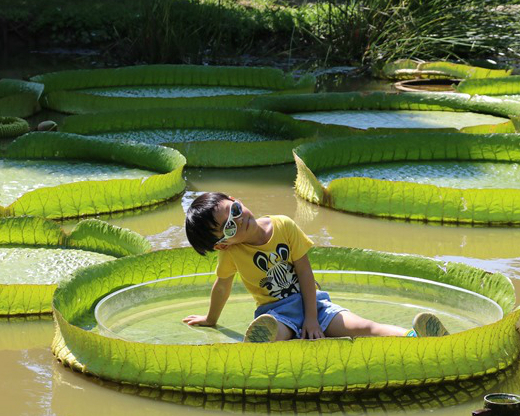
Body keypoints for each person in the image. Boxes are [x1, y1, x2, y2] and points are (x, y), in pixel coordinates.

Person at [183, 192, 448, 342]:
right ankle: (265, 340)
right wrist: (211, 319)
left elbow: (305, 273)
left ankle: (415, 336)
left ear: (236, 199)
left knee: (364, 327)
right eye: (229, 227)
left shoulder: (283, 225)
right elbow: (222, 286)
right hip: (277, 313)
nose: (239, 221)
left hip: (317, 305)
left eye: (236, 210)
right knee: (275, 331)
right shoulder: (233, 254)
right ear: (222, 245)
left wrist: (311, 317)